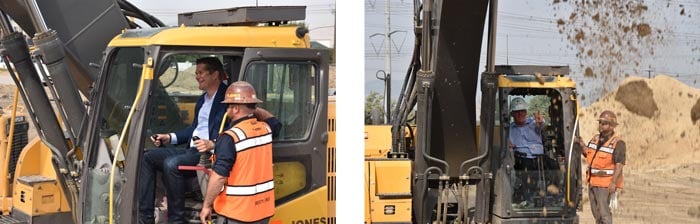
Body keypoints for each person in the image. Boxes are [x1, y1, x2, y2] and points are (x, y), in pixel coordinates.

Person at [139, 57, 228, 224]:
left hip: (207, 153)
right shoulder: (203, 99)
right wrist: (169, 137)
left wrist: (213, 143)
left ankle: (176, 219)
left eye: (201, 73)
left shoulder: (227, 98)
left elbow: (231, 131)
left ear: (215, 74)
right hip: (192, 149)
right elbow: (194, 129)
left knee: (172, 164)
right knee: (147, 157)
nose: (197, 77)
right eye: (196, 73)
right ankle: (146, 217)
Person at [200, 81, 280, 224]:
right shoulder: (266, 129)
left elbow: (218, 177)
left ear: (235, 108)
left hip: (237, 212)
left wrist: (206, 205)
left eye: (228, 106)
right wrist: (251, 108)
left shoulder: (230, 137)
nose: (226, 110)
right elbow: (274, 121)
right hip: (263, 210)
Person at [576, 110, 625, 224]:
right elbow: (588, 154)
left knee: (604, 213)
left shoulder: (618, 143)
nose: (601, 125)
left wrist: (613, 183)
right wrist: (581, 144)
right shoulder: (595, 138)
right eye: (600, 123)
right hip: (593, 182)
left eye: (604, 123)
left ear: (612, 126)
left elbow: (619, 165)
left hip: (605, 184)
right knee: (596, 212)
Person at [507, 97, 545, 205]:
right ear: (512, 114)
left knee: (555, 166)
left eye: (522, 111)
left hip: (539, 159)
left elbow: (541, 124)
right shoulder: (509, 129)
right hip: (520, 160)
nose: (520, 114)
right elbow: (507, 145)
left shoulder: (534, 123)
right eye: (516, 112)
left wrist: (540, 121)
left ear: (526, 112)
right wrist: (508, 145)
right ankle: (527, 199)